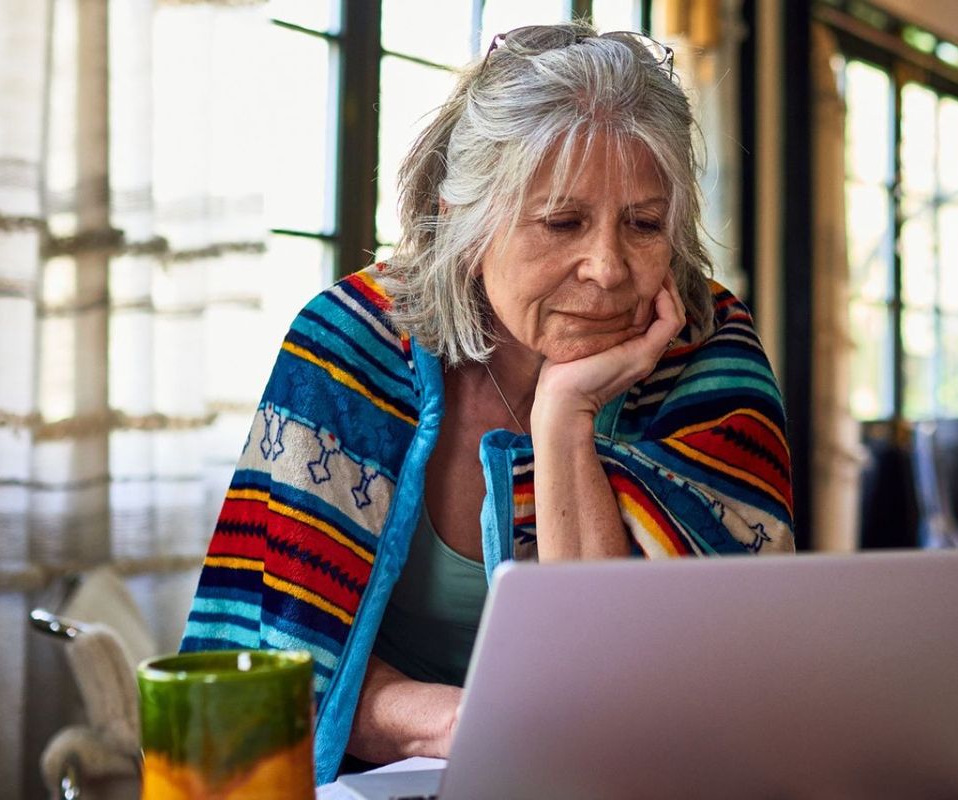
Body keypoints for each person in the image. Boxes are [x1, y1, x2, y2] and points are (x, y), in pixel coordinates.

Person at [180, 22, 794, 785]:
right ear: (465, 224)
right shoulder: (347, 345)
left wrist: (565, 418)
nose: (607, 268)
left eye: (643, 223)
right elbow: (278, 658)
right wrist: (458, 720)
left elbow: (651, 693)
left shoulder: (710, 355)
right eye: (562, 222)